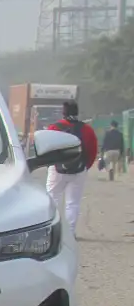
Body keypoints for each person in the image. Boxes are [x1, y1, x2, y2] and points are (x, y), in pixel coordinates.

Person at [45, 100, 98, 235]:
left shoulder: (54, 128)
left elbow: (46, 150)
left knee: (52, 198)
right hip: (79, 170)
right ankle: (70, 233)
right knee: (73, 202)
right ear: (77, 112)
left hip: (57, 169)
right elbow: (93, 152)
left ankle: (52, 231)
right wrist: (85, 167)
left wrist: (50, 165)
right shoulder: (87, 130)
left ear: (63, 112)